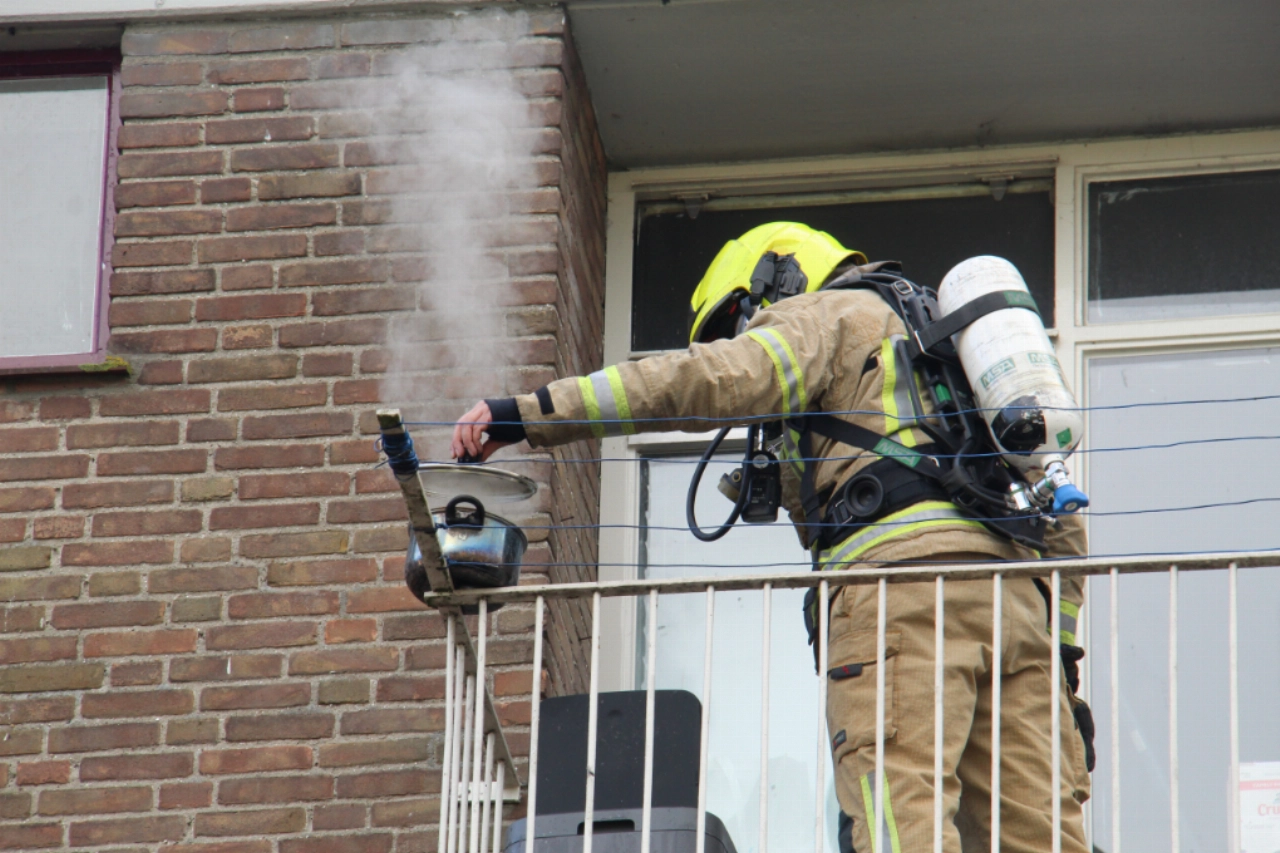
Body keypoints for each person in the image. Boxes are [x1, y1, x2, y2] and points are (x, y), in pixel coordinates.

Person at [450, 222, 1092, 853]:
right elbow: (1064, 524)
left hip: (904, 599)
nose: (743, 336)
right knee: (1043, 837)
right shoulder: (952, 346)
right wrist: (1062, 662)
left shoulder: (826, 314)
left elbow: (703, 381)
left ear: (770, 284)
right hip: (1018, 606)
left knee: (904, 820)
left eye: (740, 323)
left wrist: (528, 413)